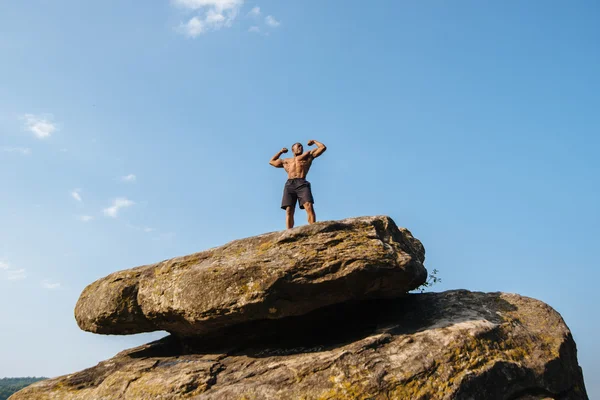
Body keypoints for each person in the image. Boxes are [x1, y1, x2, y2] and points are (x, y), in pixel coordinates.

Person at [269, 140, 327, 229]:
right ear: (293, 149)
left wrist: (314, 141)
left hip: (302, 182)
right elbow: (272, 161)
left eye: (301, 146)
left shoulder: (308, 155)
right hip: (289, 184)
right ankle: (289, 232)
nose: (301, 147)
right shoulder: (286, 161)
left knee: (308, 205)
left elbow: (322, 148)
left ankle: (313, 228)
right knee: (289, 209)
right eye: (298, 146)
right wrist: (280, 152)